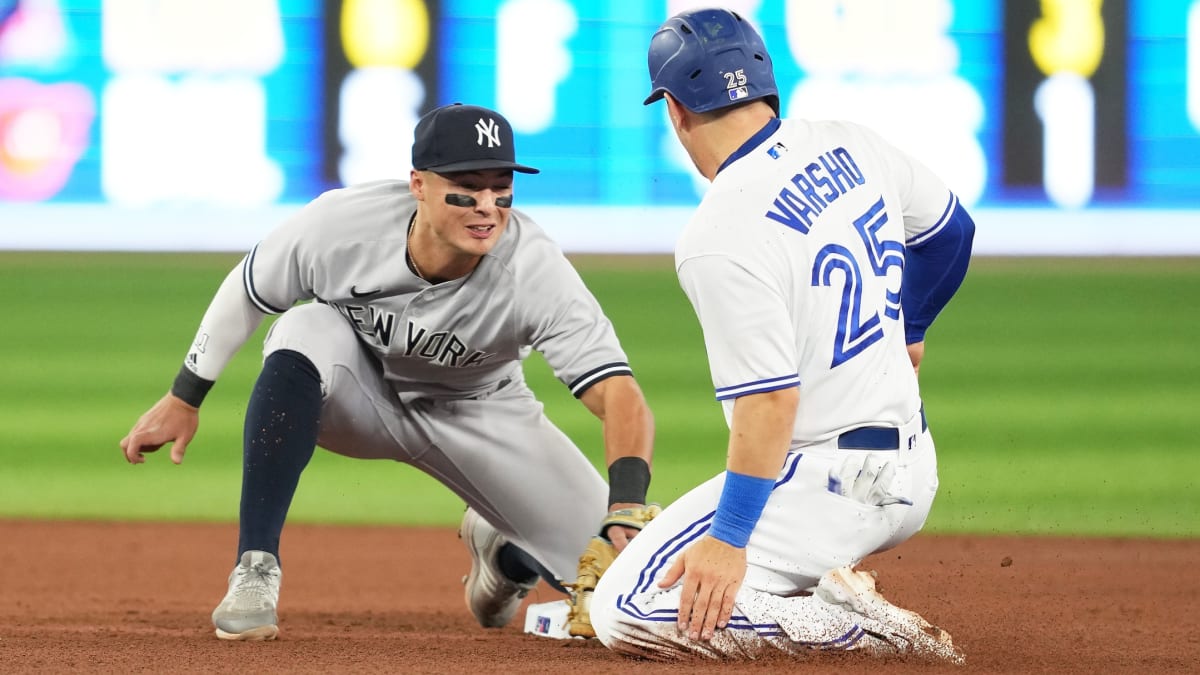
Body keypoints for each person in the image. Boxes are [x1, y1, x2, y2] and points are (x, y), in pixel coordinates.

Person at [119, 102, 656, 641]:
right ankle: (255, 570)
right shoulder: (341, 226)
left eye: (501, 189)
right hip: (358, 392)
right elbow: (249, 287)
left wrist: (627, 506)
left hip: (483, 411)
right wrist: (185, 396)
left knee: (632, 591)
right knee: (305, 327)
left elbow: (619, 394)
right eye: (467, 188)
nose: (488, 207)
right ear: (418, 185)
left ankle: (508, 552)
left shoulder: (533, 269)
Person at [589, 7, 975, 663]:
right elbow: (951, 233)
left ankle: (861, 627)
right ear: (766, 85)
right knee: (679, 581)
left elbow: (769, 403)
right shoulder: (852, 141)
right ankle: (816, 599)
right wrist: (911, 327)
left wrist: (729, 539)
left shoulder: (718, 232)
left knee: (624, 609)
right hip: (913, 465)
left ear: (675, 109)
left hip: (827, 483)